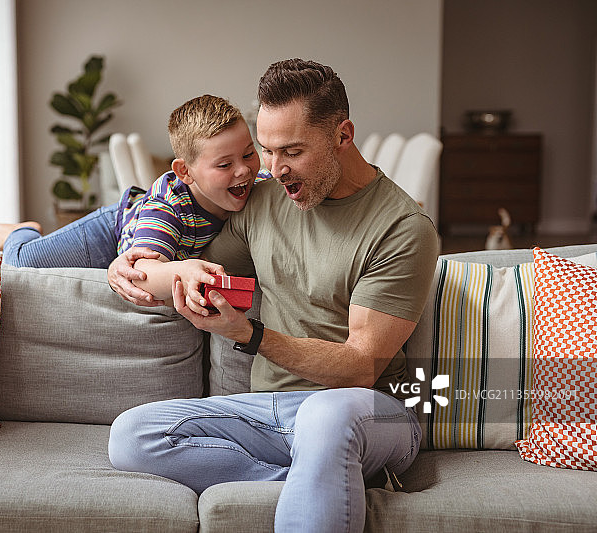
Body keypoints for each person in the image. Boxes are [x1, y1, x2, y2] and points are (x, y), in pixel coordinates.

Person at [106, 58, 439, 532]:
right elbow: (193, 272)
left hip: (371, 411)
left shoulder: (401, 229)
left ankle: (329, 470)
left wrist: (248, 334)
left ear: (343, 136)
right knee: (133, 435)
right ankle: (321, 478)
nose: (272, 169)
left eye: (292, 151)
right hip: (272, 412)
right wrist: (137, 262)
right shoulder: (264, 202)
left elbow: (362, 366)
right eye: (266, 150)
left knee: (326, 417)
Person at [0, 95, 269, 299]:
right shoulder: (169, 207)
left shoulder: (258, 185)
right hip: (111, 232)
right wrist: (186, 270)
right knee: (20, 263)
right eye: (225, 165)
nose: (244, 170)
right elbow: (142, 271)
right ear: (185, 172)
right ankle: (17, 231)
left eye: (248, 154)